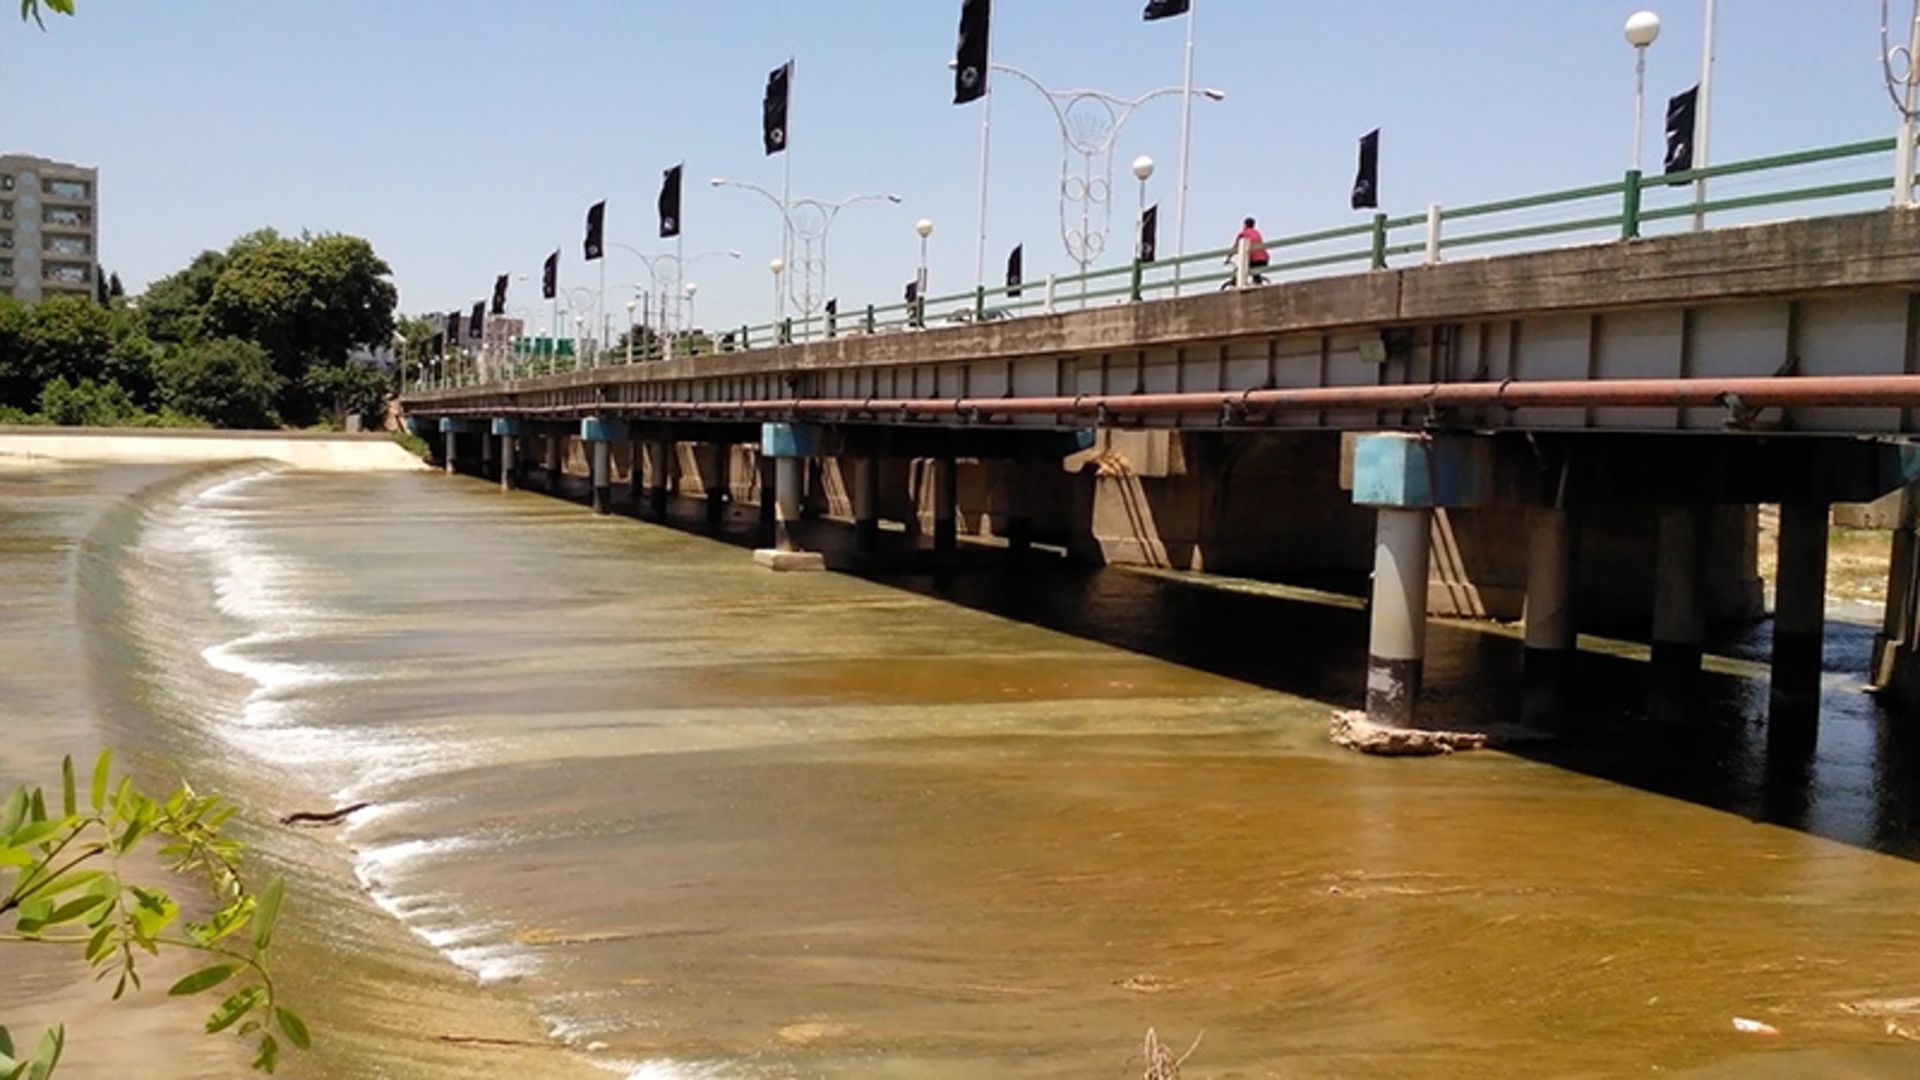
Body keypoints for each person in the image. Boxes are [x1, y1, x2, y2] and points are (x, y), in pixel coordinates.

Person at [1234, 217, 1269, 284]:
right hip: (1264, 259)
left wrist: (1228, 257)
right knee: (1254, 273)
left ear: (1245, 224)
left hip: (1255, 259)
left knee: (1241, 270)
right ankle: (1258, 283)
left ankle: (1242, 284)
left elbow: (1235, 246)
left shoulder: (1243, 233)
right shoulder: (1257, 233)